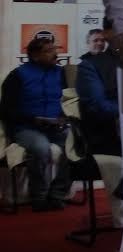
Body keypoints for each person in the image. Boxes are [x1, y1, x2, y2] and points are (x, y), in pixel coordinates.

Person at [0, 38, 70, 211]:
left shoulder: (60, 73)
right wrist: (34, 119)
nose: (55, 53)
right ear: (35, 55)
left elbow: (67, 100)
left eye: (55, 49)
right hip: (26, 127)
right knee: (40, 148)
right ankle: (39, 197)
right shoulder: (18, 75)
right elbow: (6, 110)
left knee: (76, 147)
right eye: (49, 50)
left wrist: (62, 117)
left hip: (55, 126)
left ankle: (57, 194)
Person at [76, 18, 122, 156]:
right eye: (95, 40)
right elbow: (97, 102)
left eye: (102, 40)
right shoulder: (86, 65)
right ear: (88, 43)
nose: (100, 43)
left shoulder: (115, 61)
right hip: (100, 124)